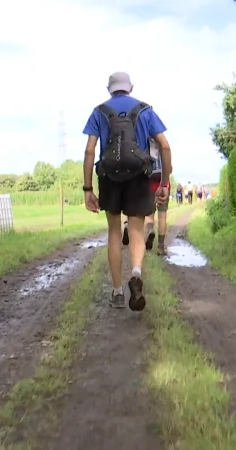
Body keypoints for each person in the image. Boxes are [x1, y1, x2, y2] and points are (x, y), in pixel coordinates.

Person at [82, 72, 172, 311]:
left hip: (109, 178)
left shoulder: (99, 111)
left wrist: (88, 188)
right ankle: (135, 273)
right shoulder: (145, 110)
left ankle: (117, 292)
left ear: (109, 89)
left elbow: (90, 151)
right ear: (130, 87)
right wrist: (164, 182)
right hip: (138, 177)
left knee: (114, 232)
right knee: (136, 229)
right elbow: (164, 145)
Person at [122, 138, 169, 255]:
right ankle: (161, 247)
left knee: (149, 215)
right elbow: (169, 166)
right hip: (163, 182)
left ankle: (149, 230)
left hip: (149, 182)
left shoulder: (142, 141)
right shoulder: (162, 142)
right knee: (162, 216)